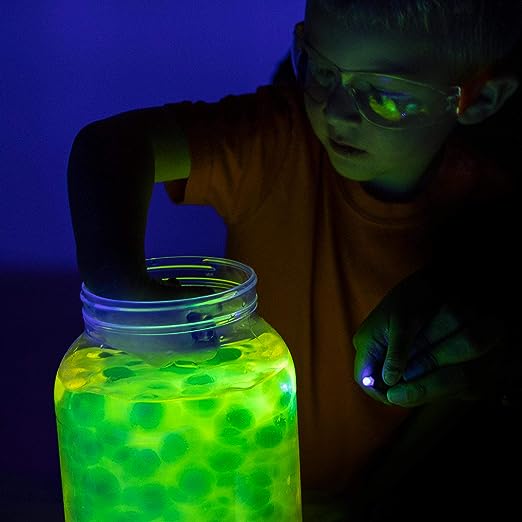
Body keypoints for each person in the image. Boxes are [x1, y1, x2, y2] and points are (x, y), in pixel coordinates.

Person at [67, 0, 521, 519]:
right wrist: (120, 291)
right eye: (322, 71)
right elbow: (110, 146)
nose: (335, 111)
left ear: (480, 98)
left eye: (386, 96)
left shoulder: (494, 218)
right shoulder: (278, 135)